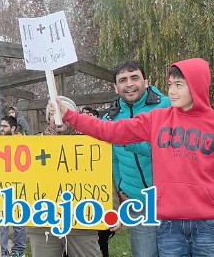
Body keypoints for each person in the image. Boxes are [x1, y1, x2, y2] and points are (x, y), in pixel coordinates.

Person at [54, 57, 214, 256]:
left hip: (207, 224)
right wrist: (70, 115)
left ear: (197, 86)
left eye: (179, 85)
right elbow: (109, 131)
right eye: (170, 84)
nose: (172, 90)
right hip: (169, 223)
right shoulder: (158, 119)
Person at [102, 60, 170, 256]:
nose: (129, 84)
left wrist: (125, 138)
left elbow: (163, 148)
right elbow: (113, 158)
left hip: (169, 199)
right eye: (123, 80)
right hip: (136, 201)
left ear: (146, 82)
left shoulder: (167, 107)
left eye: (134, 78)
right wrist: (120, 188)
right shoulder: (111, 118)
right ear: (116, 88)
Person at [27, 97, 100, 257]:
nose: (58, 118)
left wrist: (112, 209)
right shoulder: (32, 146)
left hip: (82, 223)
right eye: (54, 113)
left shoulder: (92, 144)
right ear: (48, 118)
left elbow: (105, 177)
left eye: (63, 112)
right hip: (43, 223)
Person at [0, 115, 27, 257]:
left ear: (14, 128)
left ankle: (18, 251)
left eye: (4, 126)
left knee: (19, 224)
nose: (1, 129)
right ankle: (3, 252)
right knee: (2, 224)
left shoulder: (22, 142)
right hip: (2, 189)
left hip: (19, 189)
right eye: (1, 126)